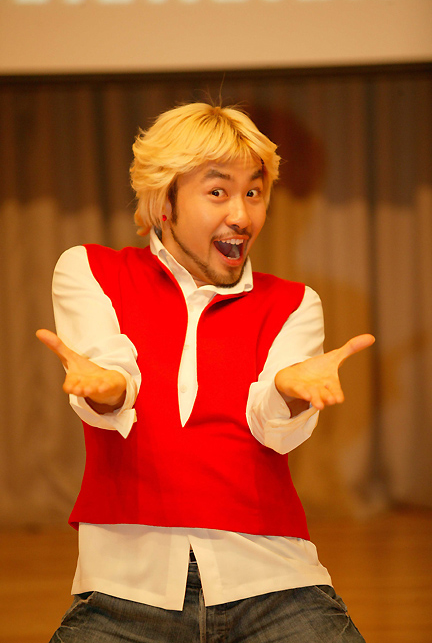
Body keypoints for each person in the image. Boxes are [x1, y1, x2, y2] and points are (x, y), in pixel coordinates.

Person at [37, 102, 374, 643]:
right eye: (218, 191)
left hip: (274, 582)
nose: (242, 215)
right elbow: (110, 368)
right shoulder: (91, 269)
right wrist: (108, 389)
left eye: (254, 193)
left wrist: (288, 393)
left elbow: (273, 426)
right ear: (164, 202)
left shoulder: (294, 303)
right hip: (125, 590)